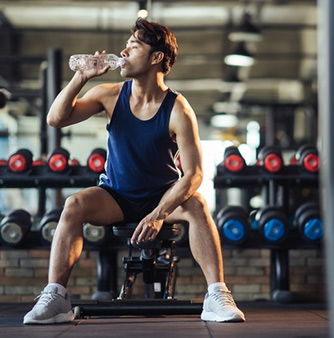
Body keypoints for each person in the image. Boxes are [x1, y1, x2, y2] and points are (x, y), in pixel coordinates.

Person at [24, 18, 245, 324]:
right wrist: (81, 78)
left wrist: (158, 214)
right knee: (74, 204)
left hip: (162, 199)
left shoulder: (179, 109)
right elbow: (56, 119)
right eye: (126, 45)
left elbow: (194, 175)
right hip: (116, 196)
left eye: (134, 46)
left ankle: (217, 295)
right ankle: (56, 296)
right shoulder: (110, 94)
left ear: (156, 58)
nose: (123, 52)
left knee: (197, 204)